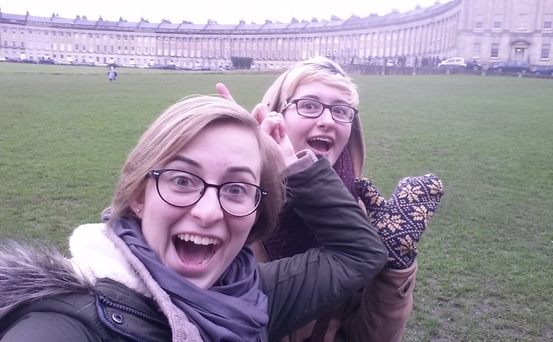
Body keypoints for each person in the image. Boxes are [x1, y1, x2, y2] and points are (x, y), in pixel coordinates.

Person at [0, 95, 387, 341]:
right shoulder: (71, 321)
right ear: (138, 195)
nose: (207, 212)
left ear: (257, 211)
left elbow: (358, 254)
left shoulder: (254, 295)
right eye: (182, 180)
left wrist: (288, 162)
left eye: (237, 188)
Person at [217, 56, 444, 342]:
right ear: (276, 114)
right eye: (309, 106)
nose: (327, 121)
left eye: (341, 110)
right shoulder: (230, 202)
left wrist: (393, 271)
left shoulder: (359, 216)